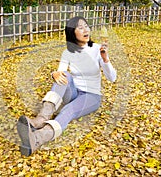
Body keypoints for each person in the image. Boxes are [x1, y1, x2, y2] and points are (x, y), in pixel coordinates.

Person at [17, 16, 117, 156]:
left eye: (86, 26)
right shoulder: (68, 52)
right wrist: (55, 74)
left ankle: (38, 138)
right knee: (64, 76)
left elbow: (112, 78)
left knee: (69, 110)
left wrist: (105, 59)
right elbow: (61, 72)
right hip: (74, 93)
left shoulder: (97, 49)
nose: (85, 29)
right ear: (72, 32)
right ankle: (40, 120)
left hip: (92, 96)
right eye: (80, 27)